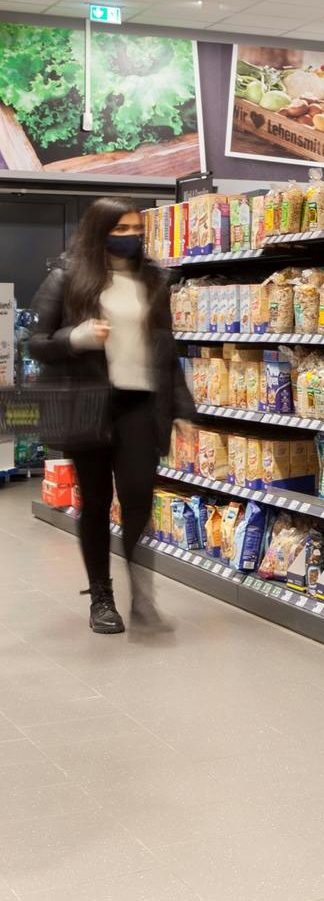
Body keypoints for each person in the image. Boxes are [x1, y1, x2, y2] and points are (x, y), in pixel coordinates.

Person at [28, 198, 192, 634]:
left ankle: (142, 593)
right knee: (98, 502)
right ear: (100, 231)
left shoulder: (153, 279)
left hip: (140, 404)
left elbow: (166, 349)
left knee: (138, 497)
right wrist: (77, 337)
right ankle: (101, 595)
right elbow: (37, 341)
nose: (131, 235)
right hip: (90, 404)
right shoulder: (68, 277)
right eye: (121, 228)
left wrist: (182, 406)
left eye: (137, 227)